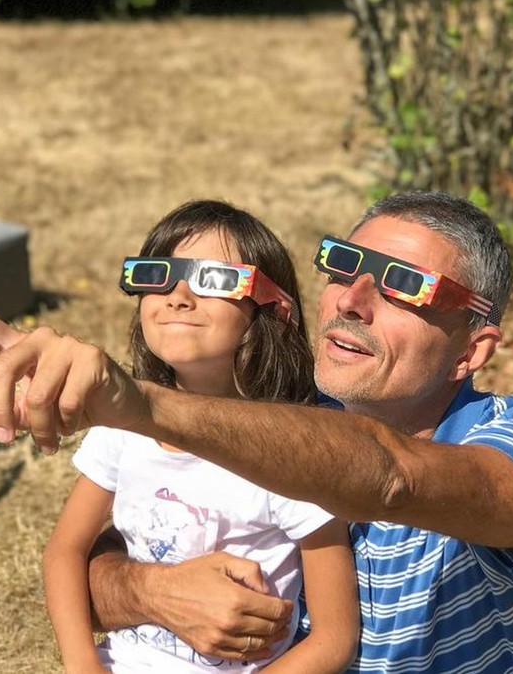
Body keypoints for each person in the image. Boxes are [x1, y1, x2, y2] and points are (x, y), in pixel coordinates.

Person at [0, 191, 513, 673]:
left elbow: (391, 476)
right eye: (343, 265)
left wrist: (143, 407)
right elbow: (97, 553)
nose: (350, 300)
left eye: (404, 287)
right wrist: (157, 591)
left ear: (472, 350)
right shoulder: (278, 418)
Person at [33, 201, 360, 673]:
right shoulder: (122, 426)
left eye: (215, 279)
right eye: (157, 276)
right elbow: (65, 549)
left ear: (274, 309)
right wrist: (82, 662)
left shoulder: (291, 454)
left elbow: (334, 638)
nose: (178, 296)